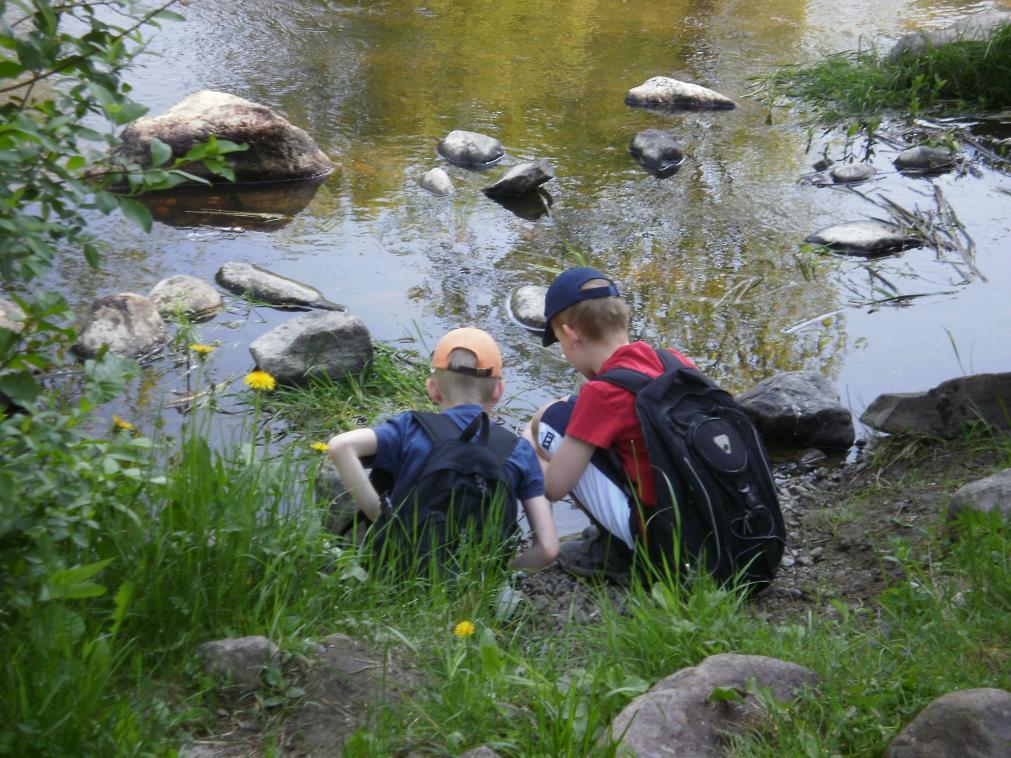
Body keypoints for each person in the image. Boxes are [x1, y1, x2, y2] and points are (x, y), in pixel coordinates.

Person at [328, 327, 559, 571]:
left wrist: (385, 522)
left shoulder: (410, 428)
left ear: (432, 389)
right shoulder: (518, 451)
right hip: (474, 583)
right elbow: (547, 549)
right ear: (498, 392)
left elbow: (341, 446)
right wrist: (498, 572)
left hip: (398, 570)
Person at [524, 266, 697, 581]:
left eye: (561, 342)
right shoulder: (675, 362)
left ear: (572, 334)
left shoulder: (602, 393)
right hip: (709, 522)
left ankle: (619, 552)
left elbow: (554, 487)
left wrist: (530, 446)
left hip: (663, 544)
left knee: (550, 417)